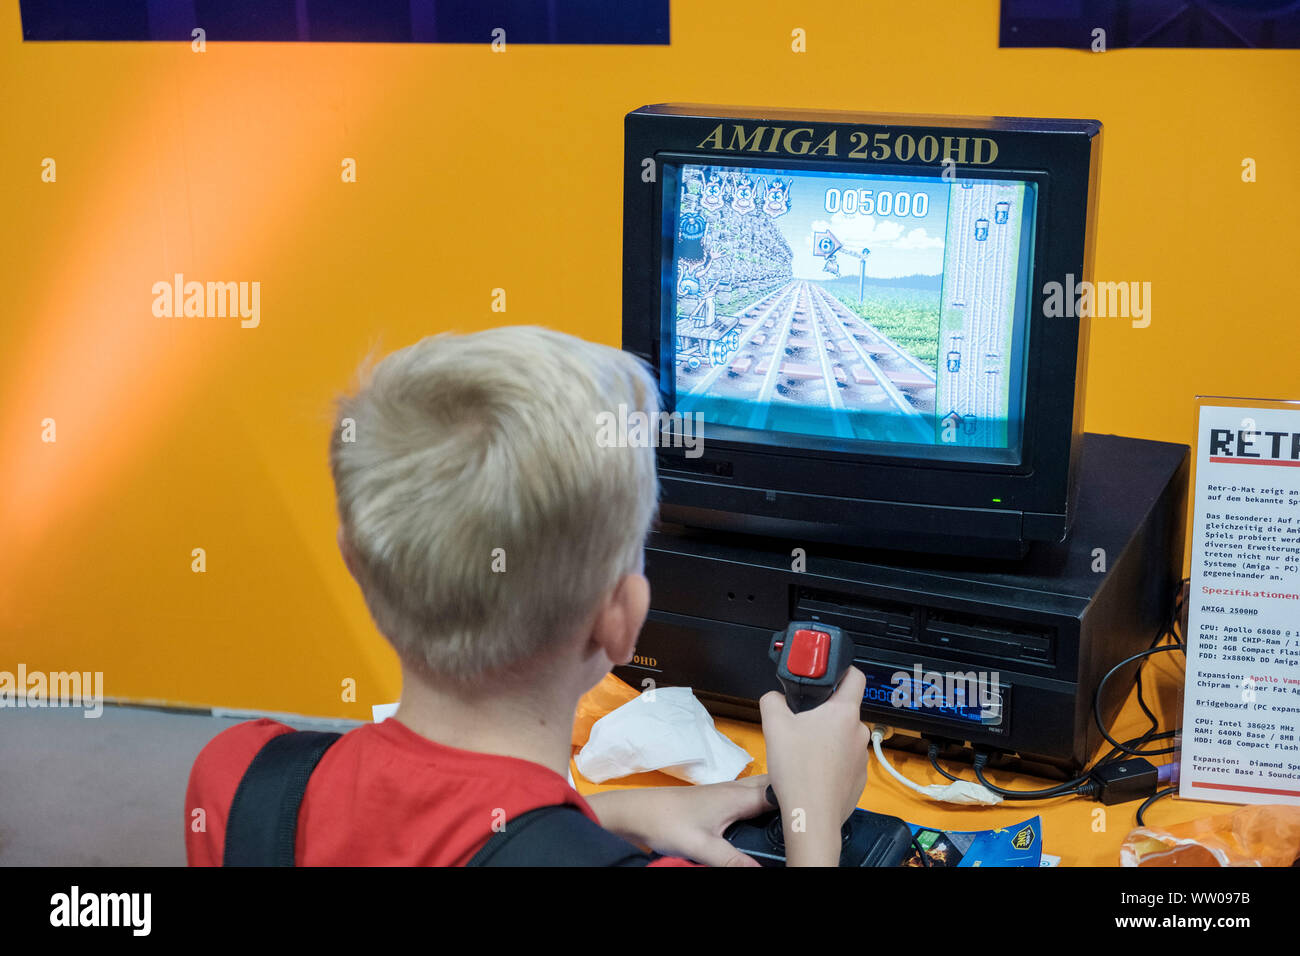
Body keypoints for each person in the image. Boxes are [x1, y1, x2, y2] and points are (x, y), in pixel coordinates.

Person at [185, 325, 870, 866]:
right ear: (622, 619)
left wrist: (599, 819)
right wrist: (811, 822)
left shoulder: (241, 781)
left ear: (356, 566)